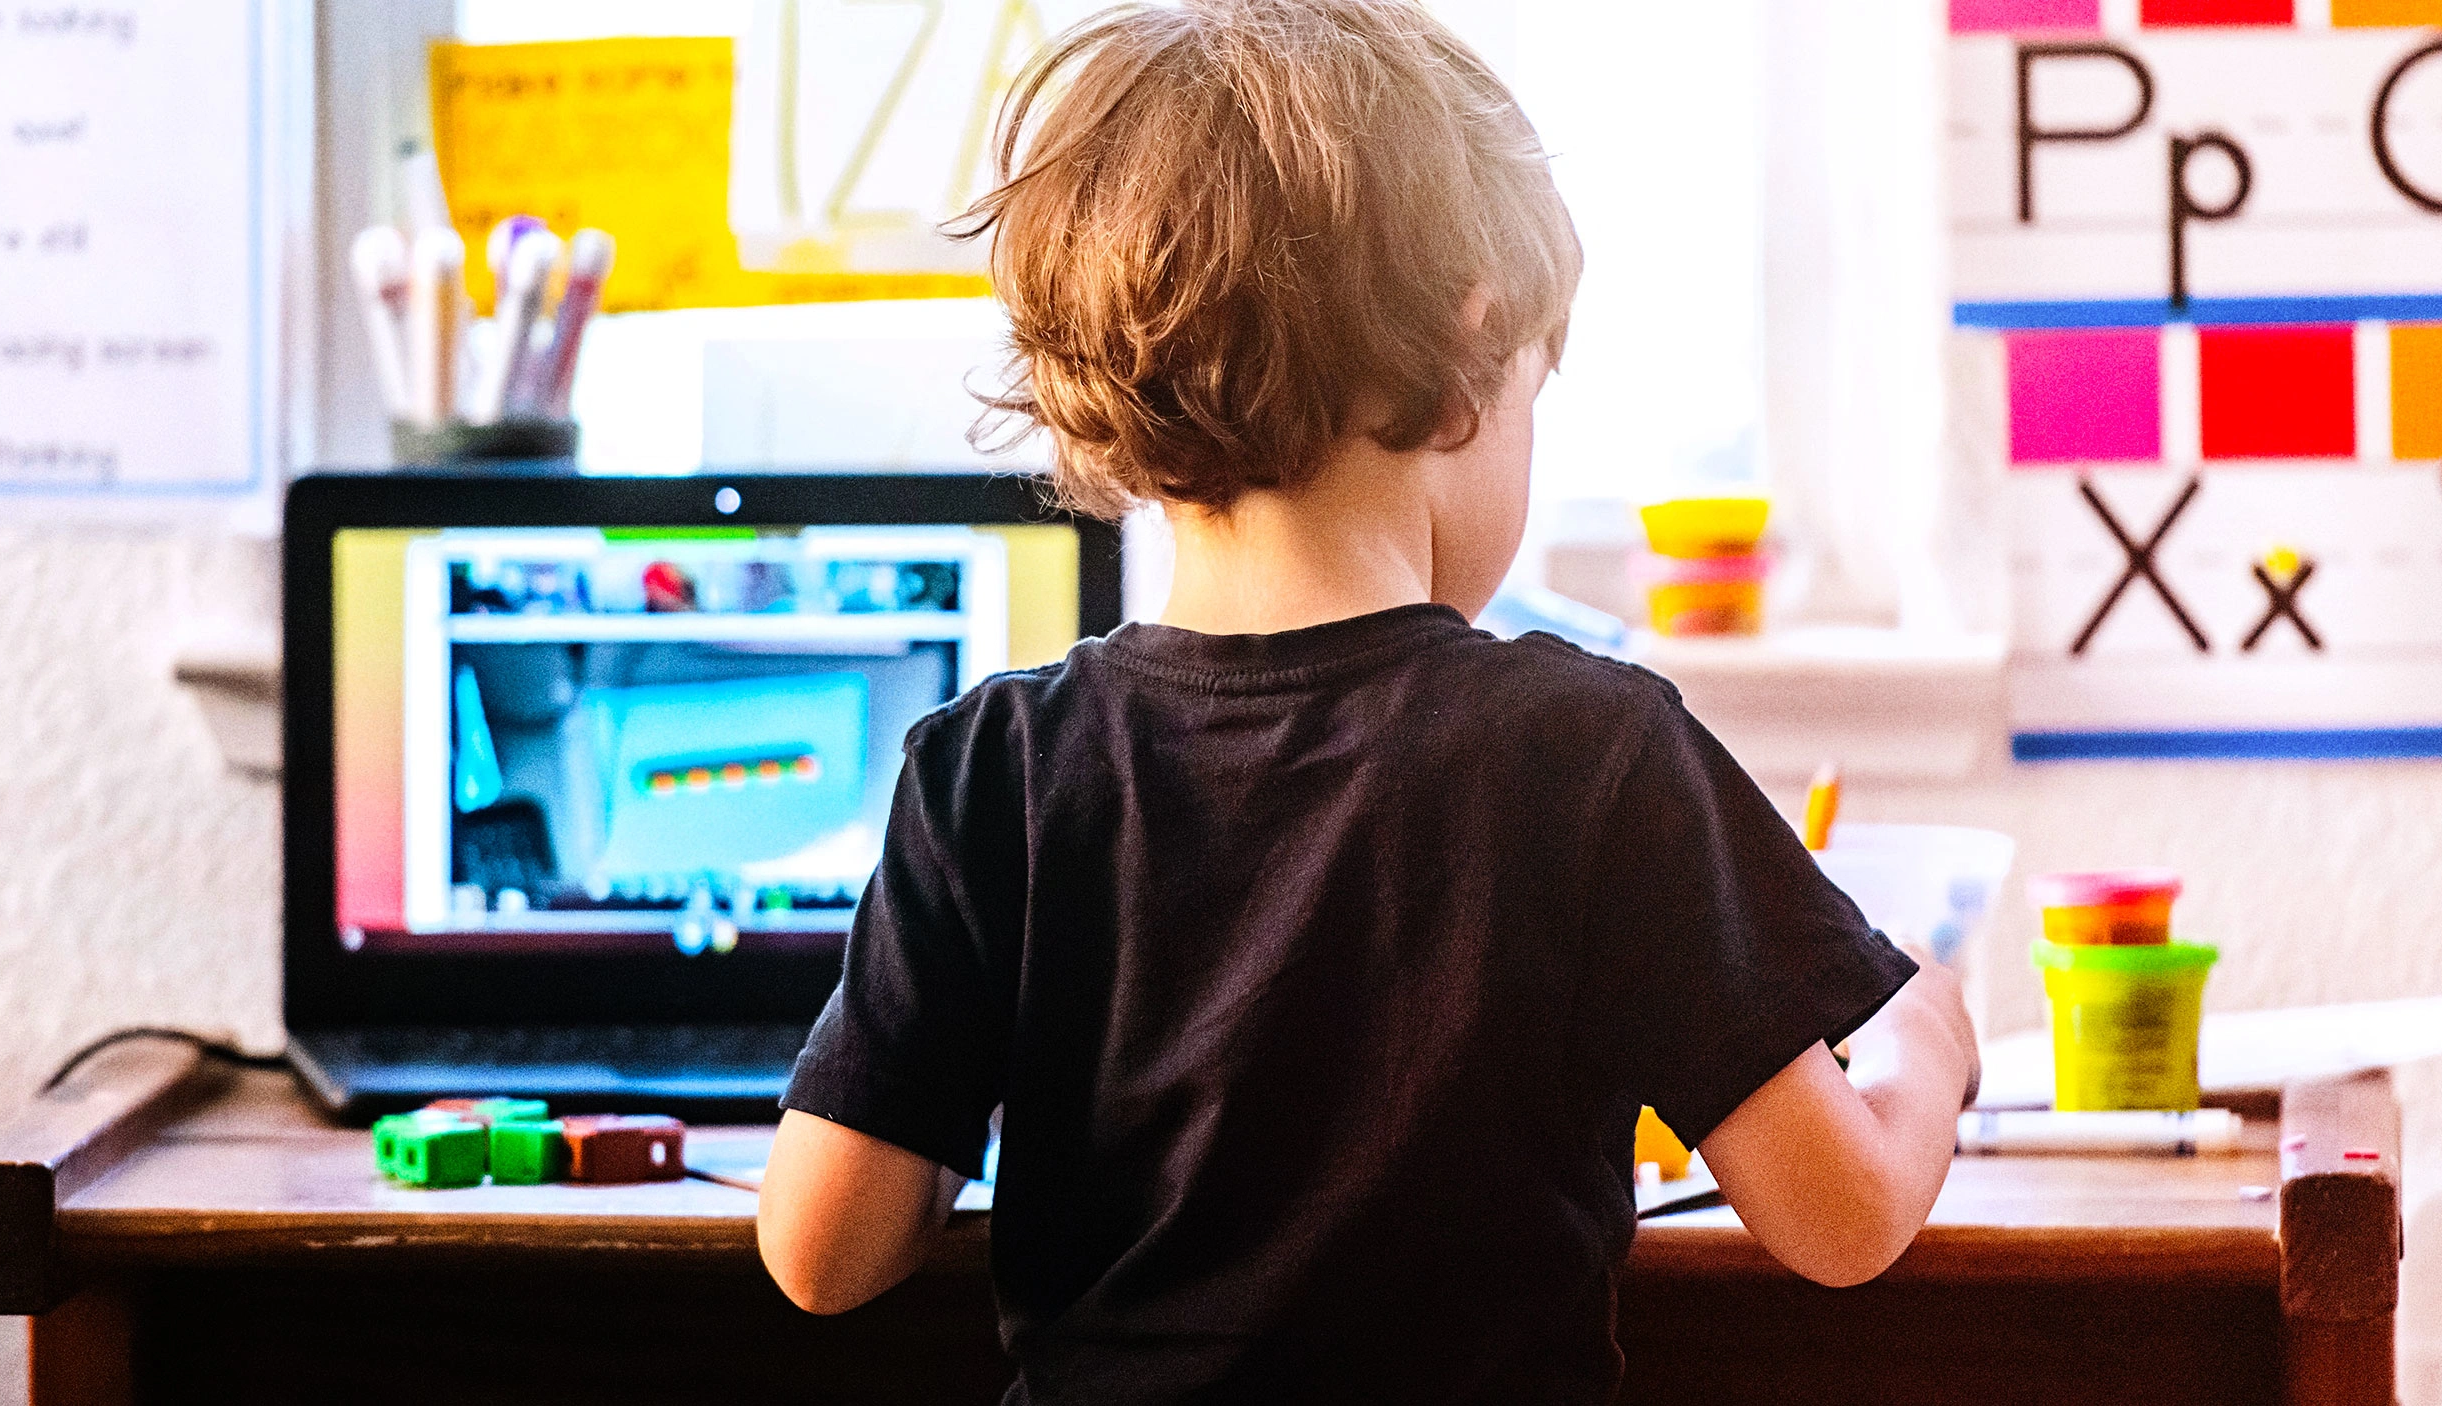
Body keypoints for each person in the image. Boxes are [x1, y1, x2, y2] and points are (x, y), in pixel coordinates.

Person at [756, 2, 1977, 1399]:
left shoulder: (995, 769)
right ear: (1472, 340)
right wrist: (1924, 1029)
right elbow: (1841, 1216)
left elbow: (820, 1249)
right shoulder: (1591, 751)